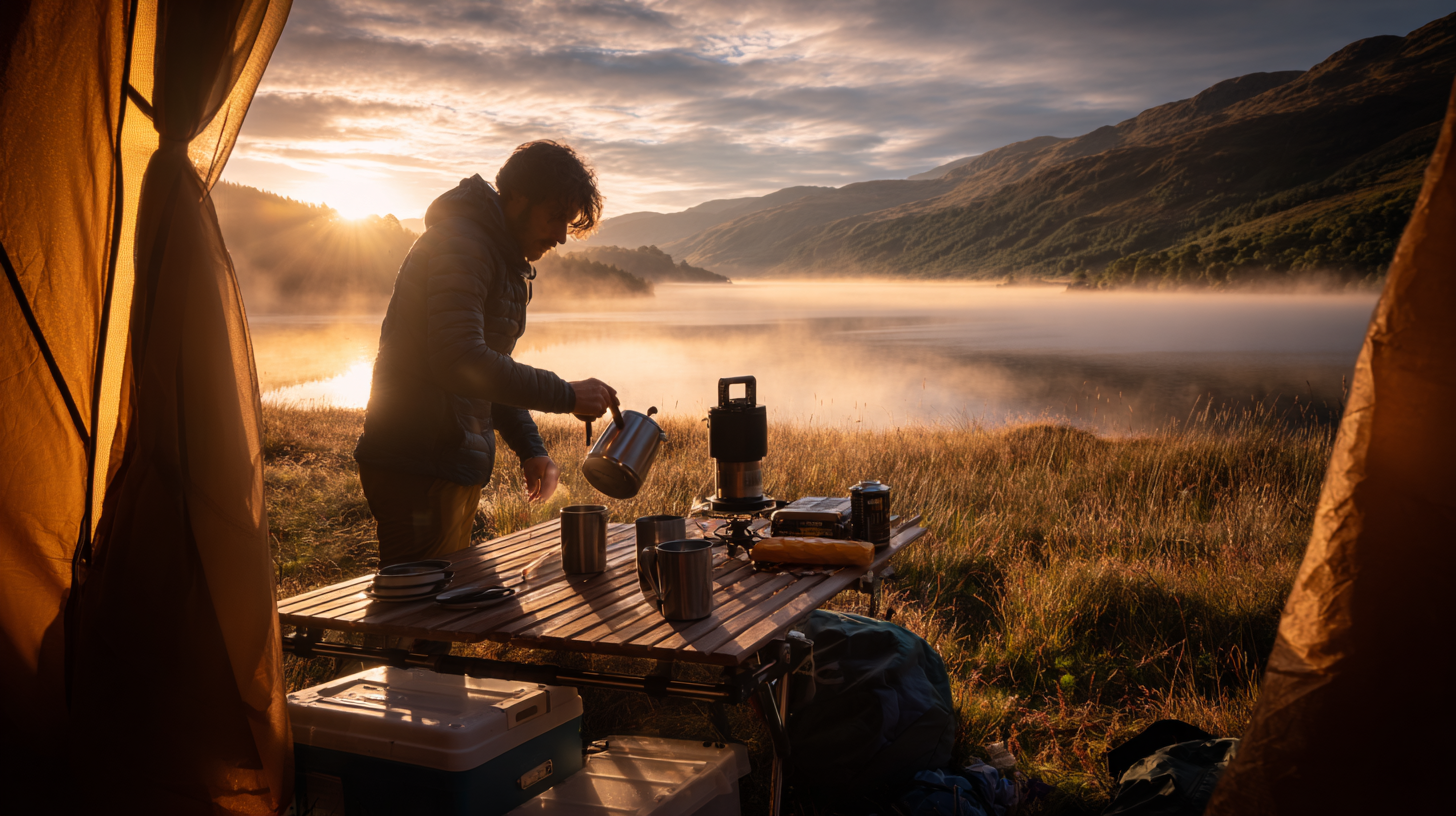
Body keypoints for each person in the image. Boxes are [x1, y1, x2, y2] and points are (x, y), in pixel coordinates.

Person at [354, 140, 618, 568]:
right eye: (554, 217)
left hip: (444, 460)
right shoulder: (463, 246)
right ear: (516, 197)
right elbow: (460, 360)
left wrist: (530, 447)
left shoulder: (497, 255)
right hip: (419, 460)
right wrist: (566, 394)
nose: (561, 237)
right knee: (415, 617)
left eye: (567, 223)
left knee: (434, 610)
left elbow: (487, 376)